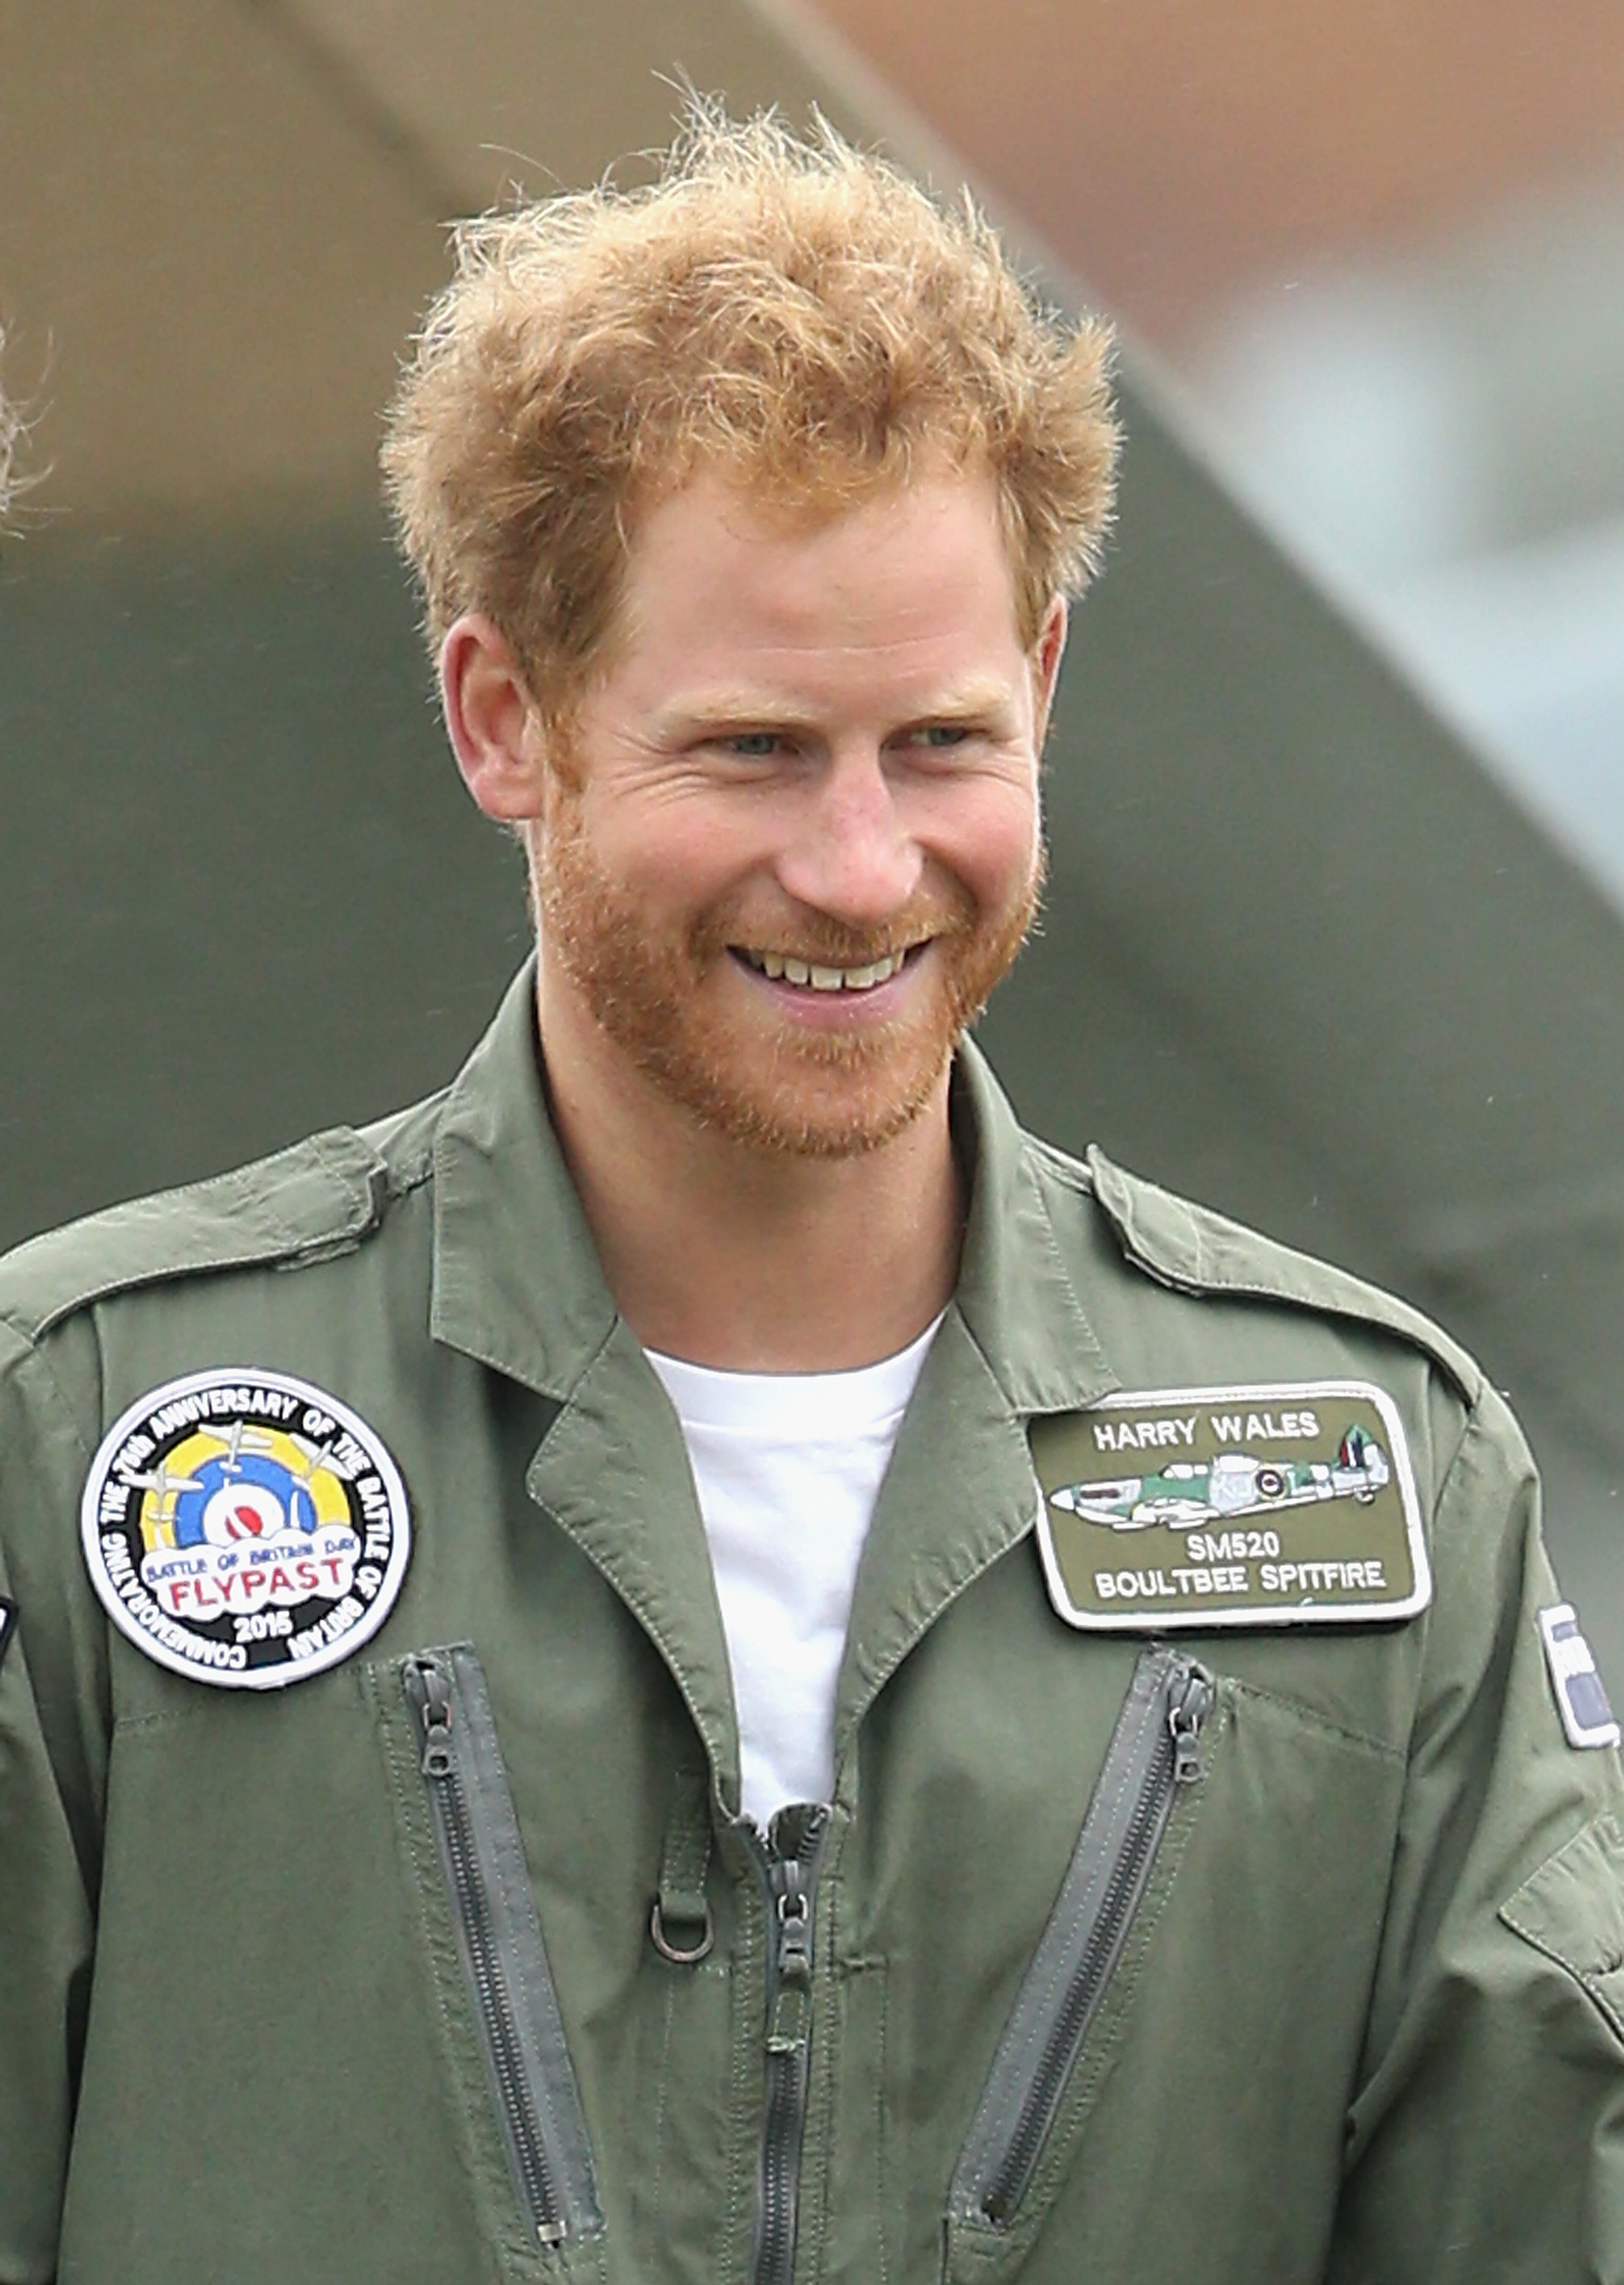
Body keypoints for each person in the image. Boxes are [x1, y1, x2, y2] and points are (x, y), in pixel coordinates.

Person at [2, 110, 1621, 2285]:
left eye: (940, 743)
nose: (864, 873)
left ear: (1043, 687)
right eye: (755, 748)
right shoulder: (84, 1434)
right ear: (505, 716)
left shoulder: (1376, 1496)